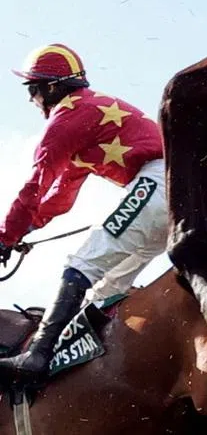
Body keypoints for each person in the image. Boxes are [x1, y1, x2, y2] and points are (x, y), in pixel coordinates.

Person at [0, 43, 166, 385]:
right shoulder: (87, 113)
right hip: (170, 191)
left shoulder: (67, 117)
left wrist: (4, 237)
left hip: (159, 181)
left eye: (32, 89)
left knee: (82, 263)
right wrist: (22, 232)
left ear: (51, 88)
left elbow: (34, 185)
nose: (31, 100)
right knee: (105, 290)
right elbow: (60, 196)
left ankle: (37, 354)